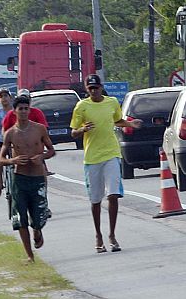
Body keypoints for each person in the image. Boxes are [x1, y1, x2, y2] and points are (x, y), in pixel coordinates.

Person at [70, 73, 142, 254]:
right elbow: (73, 132)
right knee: (95, 200)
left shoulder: (111, 102)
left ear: (101, 87)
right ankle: (98, 235)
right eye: (90, 88)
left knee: (113, 195)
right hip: (92, 157)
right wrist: (82, 129)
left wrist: (131, 124)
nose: (94, 91)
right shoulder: (81, 106)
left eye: (96, 87)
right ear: (87, 90)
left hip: (111, 153)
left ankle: (112, 234)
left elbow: (117, 120)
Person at [0, 94, 55, 262]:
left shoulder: (39, 129)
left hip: (37, 178)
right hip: (19, 179)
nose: (23, 112)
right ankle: (29, 255)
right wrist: (13, 160)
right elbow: (1, 159)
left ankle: (37, 230)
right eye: (20, 109)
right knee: (20, 218)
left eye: (26, 108)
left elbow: (51, 150)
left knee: (39, 216)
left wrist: (42, 157)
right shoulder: (10, 134)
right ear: (14, 112)